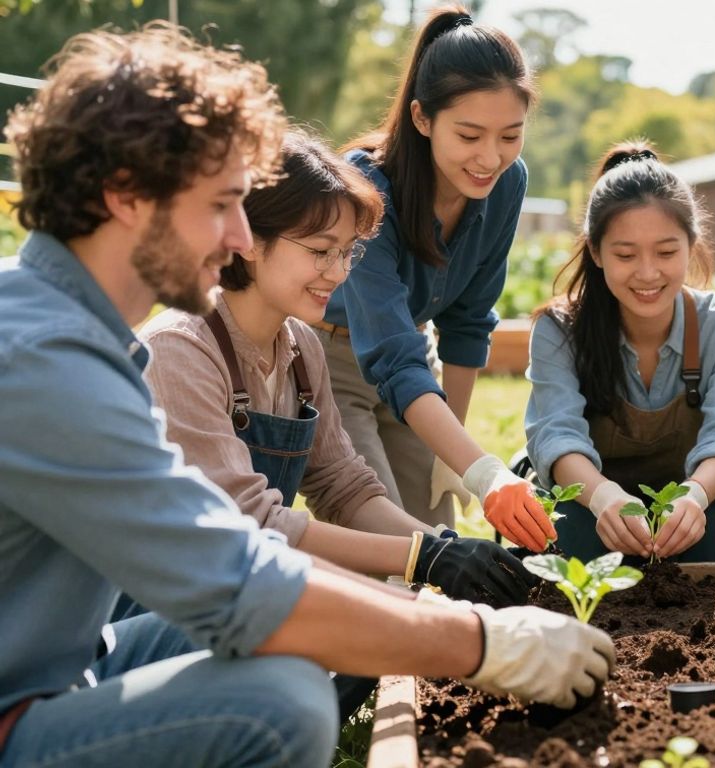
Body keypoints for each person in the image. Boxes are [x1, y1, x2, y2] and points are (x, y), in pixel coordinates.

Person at [0, 25, 611, 767]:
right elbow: (233, 571)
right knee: (282, 702)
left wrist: (430, 573)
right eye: (222, 204)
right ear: (127, 195)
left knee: (334, 625)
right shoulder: (47, 360)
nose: (239, 236)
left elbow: (312, 510)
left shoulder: (69, 330)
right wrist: (480, 641)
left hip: (67, 665)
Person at [139, 129, 535, 610]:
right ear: (248, 240)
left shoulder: (302, 349)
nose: (339, 272)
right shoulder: (182, 351)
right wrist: (423, 556)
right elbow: (249, 524)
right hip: (159, 609)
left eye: (348, 251)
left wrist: (447, 548)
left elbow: (343, 488)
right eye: (320, 250)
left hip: (238, 598)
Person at [318, 5, 553, 549]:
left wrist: (456, 453)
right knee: (384, 542)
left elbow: (468, 320)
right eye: (469, 135)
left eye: (510, 136)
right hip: (330, 360)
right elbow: (389, 352)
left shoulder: (507, 183)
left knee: (440, 535)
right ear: (422, 118)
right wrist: (485, 471)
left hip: (413, 365)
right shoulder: (364, 187)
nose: (490, 158)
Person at [523, 142, 715, 562]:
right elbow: (556, 435)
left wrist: (695, 495)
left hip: (692, 512)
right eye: (626, 254)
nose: (648, 273)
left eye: (666, 252)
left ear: (691, 244)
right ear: (596, 251)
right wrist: (603, 497)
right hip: (589, 509)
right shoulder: (559, 329)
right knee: (557, 529)